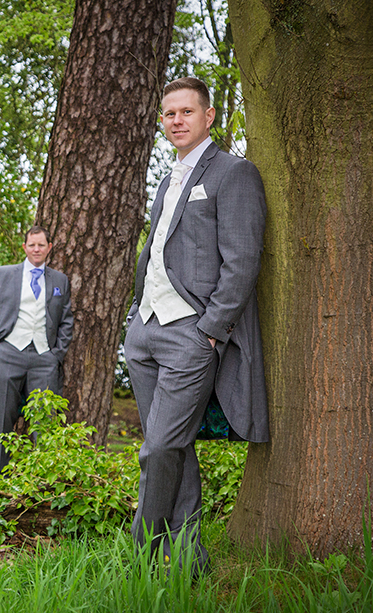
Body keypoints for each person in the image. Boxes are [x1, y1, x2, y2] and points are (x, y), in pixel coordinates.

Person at [124, 77, 269, 576]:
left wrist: (210, 328)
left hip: (191, 333)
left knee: (159, 446)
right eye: (169, 114)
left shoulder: (234, 173)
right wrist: (135, 317)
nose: (177, 120)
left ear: (208, 117)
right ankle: (190, 560)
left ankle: (140, 554)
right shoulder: (168, 179)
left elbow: (243, 259)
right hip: (144, 331)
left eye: (187, 112)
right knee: (175, 446)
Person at [0, 224, 74, 473]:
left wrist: (56, 356)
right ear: (24, 247)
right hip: (6, 354)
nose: (36, 249)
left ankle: (43, 482)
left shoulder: (60, 280)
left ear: (49, 247)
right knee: (1, 423)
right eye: (32, 245)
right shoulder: (3, 274)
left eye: (41, 245)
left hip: (44, 359)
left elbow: (66, 320)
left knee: (45, 424)